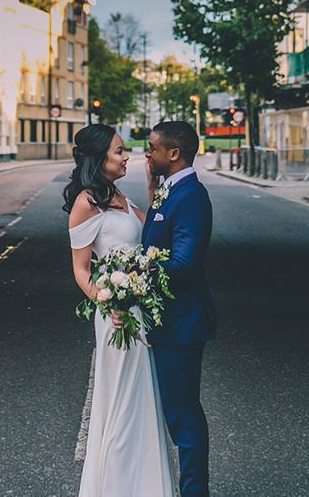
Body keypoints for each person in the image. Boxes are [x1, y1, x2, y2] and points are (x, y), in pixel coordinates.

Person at [65, 124, 175, 497]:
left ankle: (143, 484)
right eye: (119, 151)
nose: (127, 155)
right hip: (114, 316)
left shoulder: (120, 196)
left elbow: (153, 238)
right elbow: (81, 269)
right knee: (122, 400)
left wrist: (150, 191)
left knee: (142, 397)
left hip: (137, 311)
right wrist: (107, 299)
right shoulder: (85, 203)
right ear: (99, 159)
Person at [142, 121, 215, 497]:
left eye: (152, 148)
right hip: (169, 324)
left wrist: (136, 274)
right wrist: (153, 193)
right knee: (177, 413)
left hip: (181, 325)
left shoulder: (191, 197)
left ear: (174, 154)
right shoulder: (171, 190)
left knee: (183, 416)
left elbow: (185, 265)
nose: (146, 154)